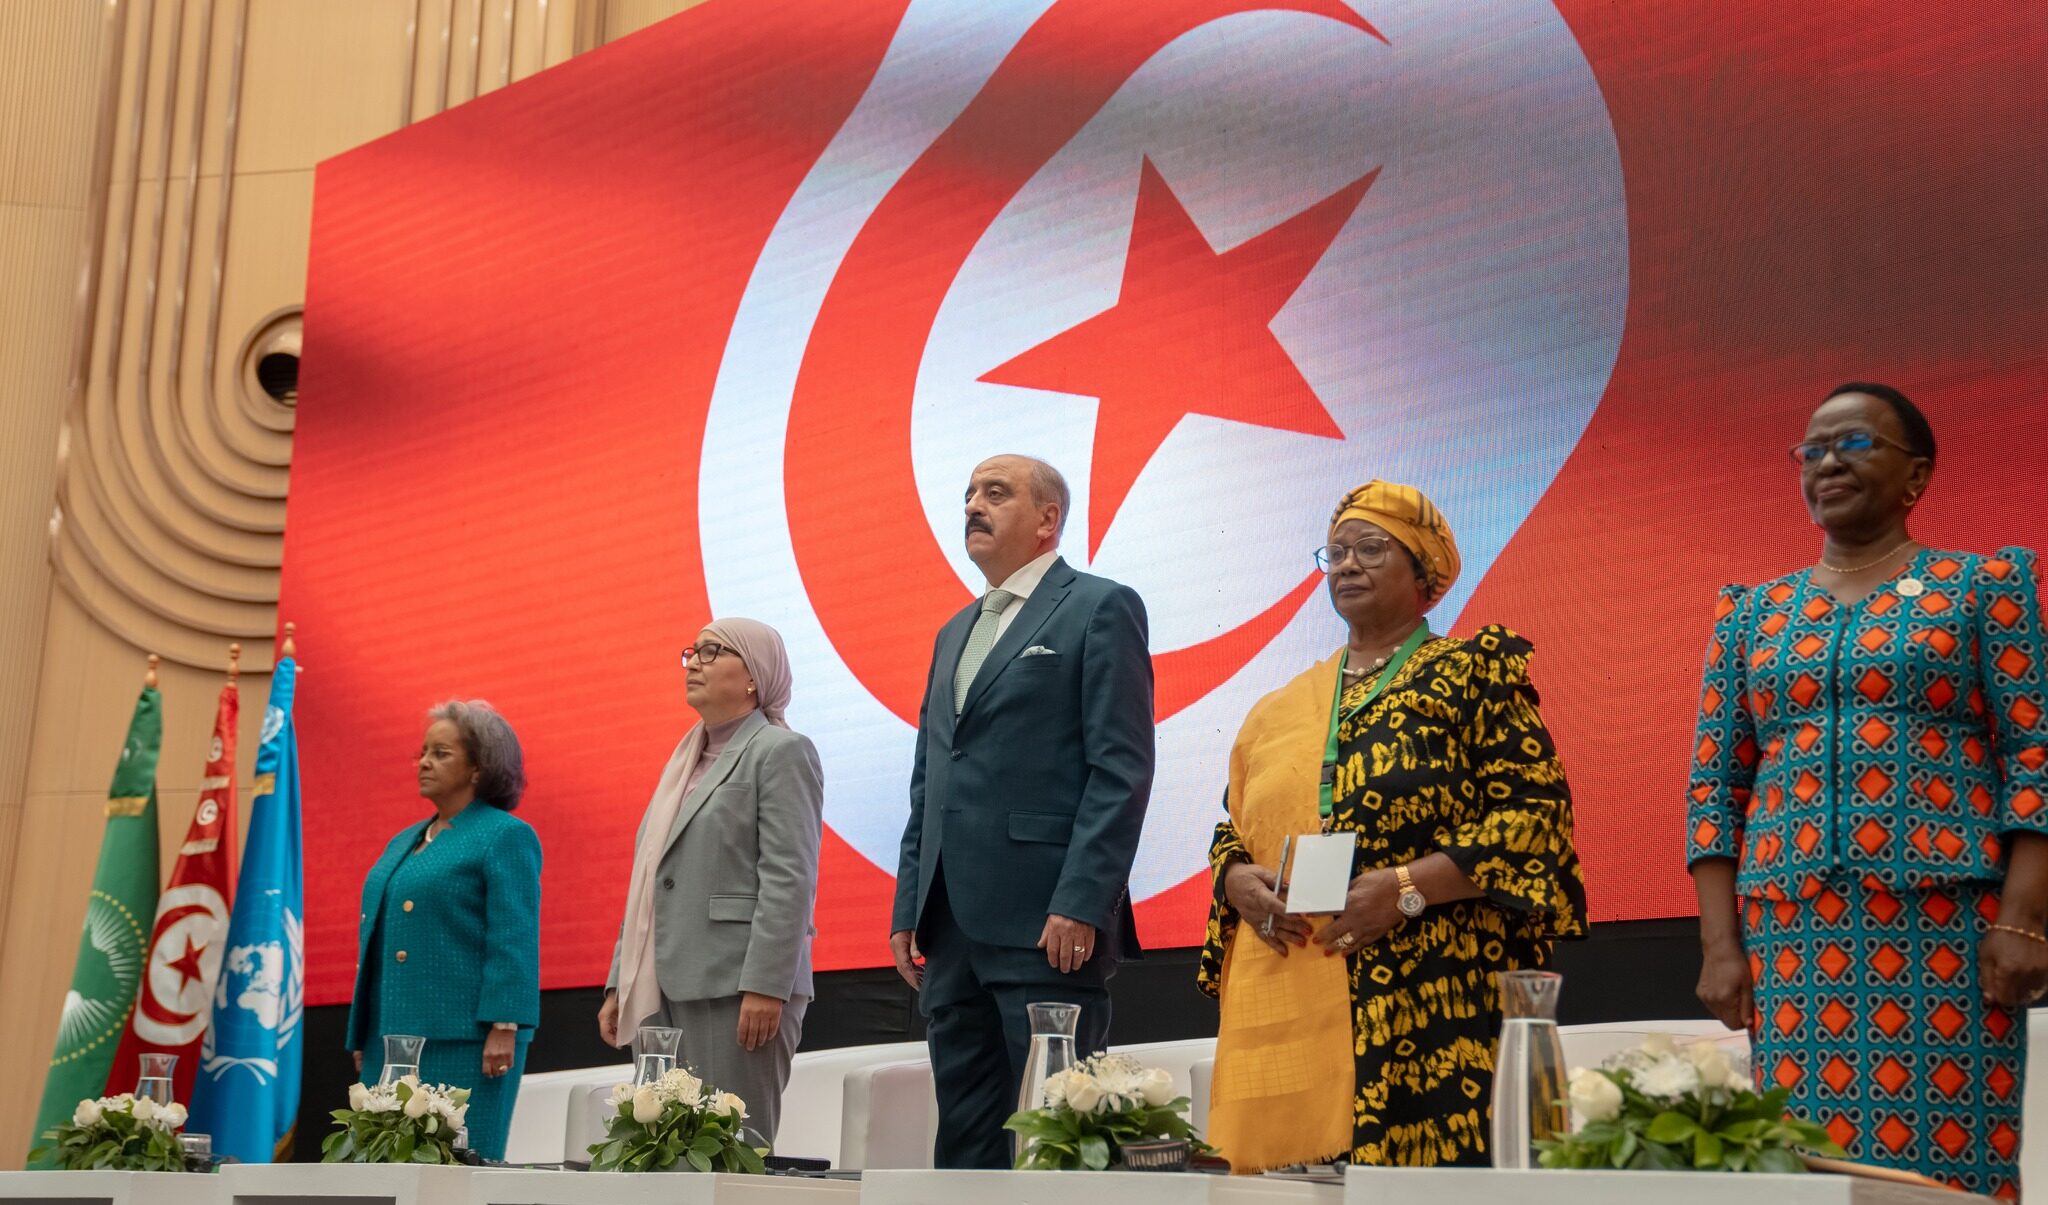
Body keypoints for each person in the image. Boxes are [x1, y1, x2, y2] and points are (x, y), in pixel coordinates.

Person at [1687, 383, 2048, 1200]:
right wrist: (1720, 945)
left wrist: (2024, 916)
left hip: (1945, 932)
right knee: (1805, 1165)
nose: (1826, 462)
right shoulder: (1753, 614)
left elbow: (2037, 753)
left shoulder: (1981, 586)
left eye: (1853, 443)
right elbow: (1715, 784)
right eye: (1811, 450)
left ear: (1915, 476)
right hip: (1793, 939)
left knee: (1950, 1164)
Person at [1199, 480, 1587, 1172]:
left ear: (1423, 573)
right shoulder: (1279, 707)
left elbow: (1536, 817)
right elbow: (1234, 825)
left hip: (1436, 992)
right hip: (1304, 986)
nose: (1347, 564)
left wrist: (1405, 887)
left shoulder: (1471, 673)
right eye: (1337, 551)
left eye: (1371, 548)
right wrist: (1235, 879)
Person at [889, 454, 1155, 1169]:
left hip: (1047, 924)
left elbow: (1120, 768)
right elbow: (930, 778)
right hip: (952, 932)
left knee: (1057, 1140)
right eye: (969, 492)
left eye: (996, 492)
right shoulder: (954, 630)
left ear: (1047, 519)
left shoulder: (1100, 605)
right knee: (966, 1143)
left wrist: (1082, 901)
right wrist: (909, 901)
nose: (974, 504)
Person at [600, 618, 823, 1145]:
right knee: (660, 1152)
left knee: (731, 1150)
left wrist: (768, 983)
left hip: (738, 986)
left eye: (713, 651)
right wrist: (618, 981)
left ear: (755, 676)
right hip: (659, 987)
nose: (694, 662)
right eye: (692, 651)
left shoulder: (779, 751)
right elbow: (652, 881)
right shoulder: (682, 763)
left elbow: (790, 876)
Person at [346, 700, 541, 1160]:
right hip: (392, 1039)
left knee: (454, 1165)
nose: (425, 763)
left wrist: (505, 1025)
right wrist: (364, 1032)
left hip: (466, 1041)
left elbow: (513, 934)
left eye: (441, 753)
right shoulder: (406, 838)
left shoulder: (504, 835)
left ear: (479, 767)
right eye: (422, 752)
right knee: (382, 1169)